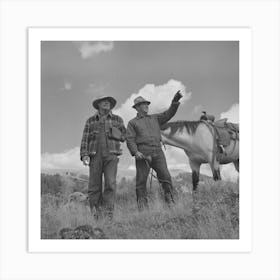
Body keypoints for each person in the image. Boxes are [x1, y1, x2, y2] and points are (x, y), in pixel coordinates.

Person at [126, 91, 183, 210]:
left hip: (158, 152)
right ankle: (143, 209)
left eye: (147, 104)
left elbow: (168, 114)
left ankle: (171, 204)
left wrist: (175, 102)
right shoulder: (132, 123)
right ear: (137, 107)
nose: (146, 105)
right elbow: (130, 139)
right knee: (141, 182)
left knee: (166, 177)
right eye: (143, 104)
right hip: (143, 154)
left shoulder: (155, 118)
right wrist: (135, 152)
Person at [80, 96, 126, 219]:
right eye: (104, 102)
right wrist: (84, 154)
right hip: (94, 156)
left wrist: (116, 132)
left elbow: (124, 136)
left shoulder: (118, 119)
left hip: (112, 155)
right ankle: (96, 215)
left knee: (110, 184)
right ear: (98, 105)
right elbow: (85, 139)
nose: (107, 103)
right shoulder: (90, 121)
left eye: (109, 102)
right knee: (94, 186)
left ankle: (108, 216)